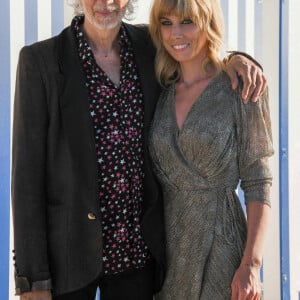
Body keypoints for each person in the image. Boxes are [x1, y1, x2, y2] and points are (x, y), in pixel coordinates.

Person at [11, 0, 267, 299]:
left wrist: (236, 59)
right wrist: (33, 280)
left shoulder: (150, 45)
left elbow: (195, 46)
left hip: (140, 259)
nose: (105, 3)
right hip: (69, 259)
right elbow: (27, 178)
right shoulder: (41, 60)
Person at [148, 0, 273, 299]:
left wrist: (251, 266)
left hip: (225, 253)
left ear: (208, 22)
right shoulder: (160, 90)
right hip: (169, 257)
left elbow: (259, 182)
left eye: (187, 21)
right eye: (166, 23)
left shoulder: (240, 86)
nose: (176, 34)